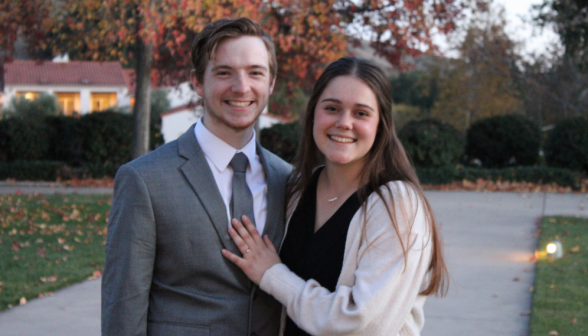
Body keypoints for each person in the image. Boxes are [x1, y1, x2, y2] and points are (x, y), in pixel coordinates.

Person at [222, 57, 448, 336]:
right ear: (313, 113)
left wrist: (273, 275)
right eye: (332, 108)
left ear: (381, 125)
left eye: (361, 113)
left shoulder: (398, 204)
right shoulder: (297, 190)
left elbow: (363, 324)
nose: (344, 123)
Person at [101, 17, 292, 336]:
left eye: (255, 73)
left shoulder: (289, 180)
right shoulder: (144, 180)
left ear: (270, 83)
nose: (241, 87)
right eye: (224, 72)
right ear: (198, 82)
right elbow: (123, 309)